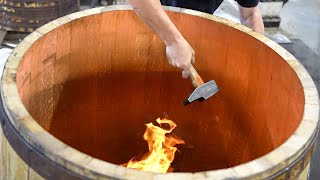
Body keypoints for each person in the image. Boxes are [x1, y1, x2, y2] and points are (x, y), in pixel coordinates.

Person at [128, 0, 264, 78]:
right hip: (152, 17)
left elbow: (250, 14)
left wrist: (256, 62)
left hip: (200, 24)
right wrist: (173, 41)